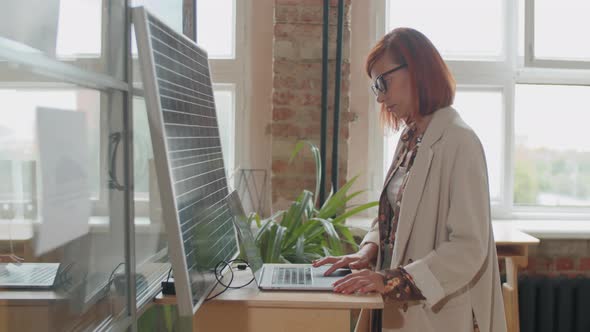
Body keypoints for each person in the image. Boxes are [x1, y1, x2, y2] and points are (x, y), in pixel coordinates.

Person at [312, 28, 507, 332]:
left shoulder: (460, 141)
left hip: (440, 314)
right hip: (397, 306)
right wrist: (368, 251)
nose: (380, 97)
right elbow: (394, 213)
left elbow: (468, 247)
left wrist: (391, 280)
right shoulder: (410, 138)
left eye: (383, 83)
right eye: (375, 87)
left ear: (416, 70)